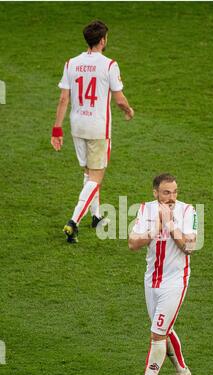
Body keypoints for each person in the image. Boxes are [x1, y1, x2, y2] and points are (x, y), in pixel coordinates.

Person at [51, 20, 134, 243]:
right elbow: (119, 98)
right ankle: (73, 221)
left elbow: (63, 98)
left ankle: (96, 217)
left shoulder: (71, 63)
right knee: (96, 177)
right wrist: (128, 110)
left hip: (77, 126)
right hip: (98, 128)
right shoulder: (109, 65)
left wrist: (56, 129)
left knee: (88, 173)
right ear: (103, 40)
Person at [128, 173, 197, 375]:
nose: (172, 197)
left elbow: (190, 246)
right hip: (151, 281)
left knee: (157, 334)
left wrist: (169, 224)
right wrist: (154, 229)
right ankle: (182, 371)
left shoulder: (188, 211)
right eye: (166, 192)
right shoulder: (145, 210)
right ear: (155, 192)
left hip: (175, 282)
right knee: (163, 330)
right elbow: (132, 243)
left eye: (175, 192)